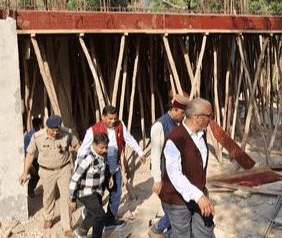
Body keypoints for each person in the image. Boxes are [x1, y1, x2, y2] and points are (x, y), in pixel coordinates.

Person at [77, 105, 146, 230]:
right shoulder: (93, 130)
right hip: (98, 167)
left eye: (115, 118)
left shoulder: (120, 125)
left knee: (116, 192)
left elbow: (128, 138)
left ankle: (109, 220)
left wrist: (140, 152)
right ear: (103, 117)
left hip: (114, 165)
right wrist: (80, 169)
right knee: (98, 193)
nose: (113, 121)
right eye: (110, 119)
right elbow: (82, 151)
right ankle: (88, 217)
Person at [159, 98, 215, 238]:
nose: (211, 119)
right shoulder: (174, 138)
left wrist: (200, 195)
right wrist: (198, 196)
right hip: (177, 200)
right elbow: (175, 175)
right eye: (209, 115)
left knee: (206, 232)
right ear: (196, 117)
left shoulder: (202, 134)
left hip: (198, 196)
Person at [20, 115, 80, 237]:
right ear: (47, 128)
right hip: (47, 171)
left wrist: (84, 158)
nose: (54, 133)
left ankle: (66, 226)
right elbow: (30, 155)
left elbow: (77, 146)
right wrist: (25, 173)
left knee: (65, 196)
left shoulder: (67, 133)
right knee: (48, 195)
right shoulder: (38, 137)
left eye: (56, 130)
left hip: (64, 169)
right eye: (52, 130)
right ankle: (48, 216)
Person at [149, 94, 189, 238]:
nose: (184, 116)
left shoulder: (176, 124)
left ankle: (169, 234)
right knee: (173, 208)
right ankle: (157, 229)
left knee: (176, 206)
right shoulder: (159, 126)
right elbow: (155, 153)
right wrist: (157, 179)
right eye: (183, 113)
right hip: (164, 173)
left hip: (173, 172)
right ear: (175, 109)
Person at [69, 132, 111, 238]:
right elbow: (74, 179)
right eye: (102, 148)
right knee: (100, 216)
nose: (104, 150)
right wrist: (72, 199)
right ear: (94, 145)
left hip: (97, 191)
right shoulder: (87, 158)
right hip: (85, 192)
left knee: (94, 214)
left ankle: (81, 231)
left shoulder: (103, 155)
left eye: (106, 147)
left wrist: (108, 179)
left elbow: (105, 169)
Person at [23, 117, 43, 197]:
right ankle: (30, 191)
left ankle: (31, 191)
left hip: (37, 158)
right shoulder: (31, 135)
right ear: (37, 125)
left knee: (38, 175)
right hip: (32, 159)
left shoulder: (33, 134)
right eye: (39, 125)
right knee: (35, 175)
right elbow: (26, 150)